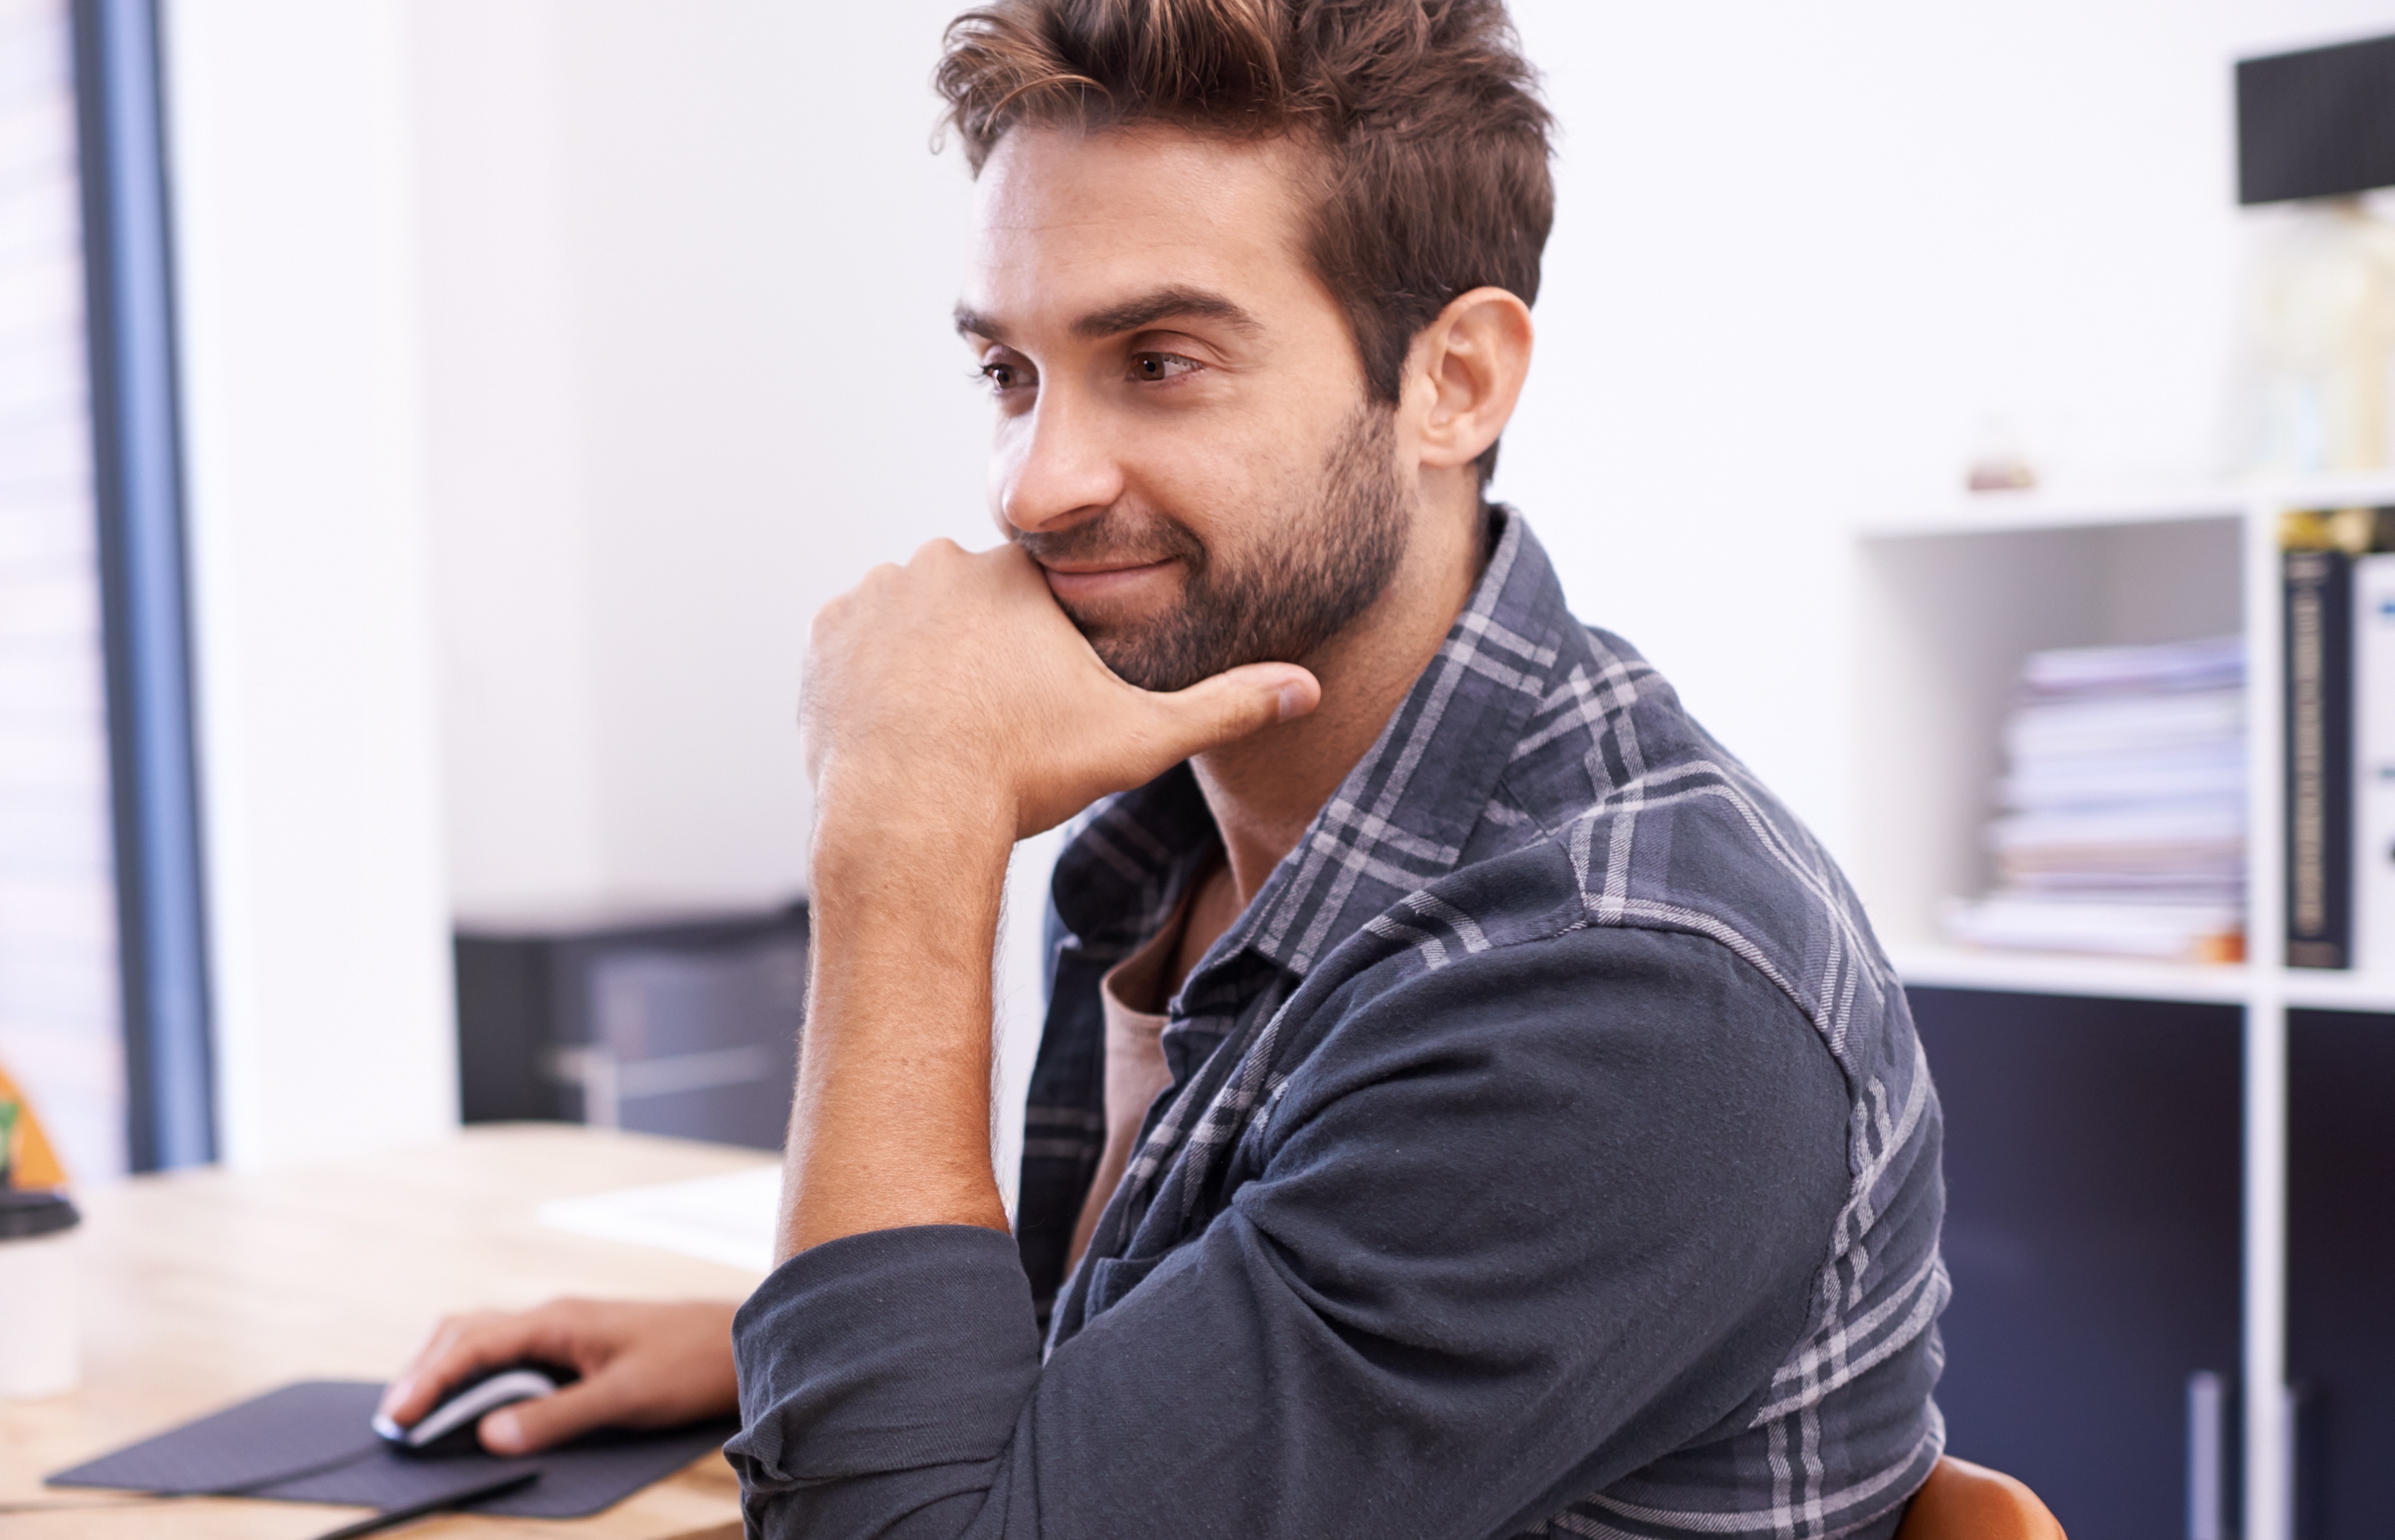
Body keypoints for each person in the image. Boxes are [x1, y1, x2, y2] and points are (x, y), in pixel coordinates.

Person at [385, 0, 1947, 1533]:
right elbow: (1212, 1345)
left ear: (1455, 380)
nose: (1034, 485)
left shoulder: (1633, 998)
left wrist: (904, 821)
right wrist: (766, 1347)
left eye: (1164, 359)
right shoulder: (1178, 831)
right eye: (1010, 373)